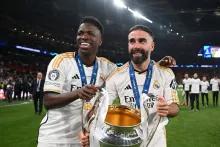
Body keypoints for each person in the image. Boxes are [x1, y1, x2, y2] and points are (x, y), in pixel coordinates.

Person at [79, 25, 179, 147]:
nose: (136, 46)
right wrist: (87, 130)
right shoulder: (116, 76)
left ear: (151, 46)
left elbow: (175, 107)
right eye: (132, 41)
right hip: (126, 137)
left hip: (156, 138)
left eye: (142, 41)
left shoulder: (165, 73)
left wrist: (167, 109)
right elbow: (100, 108)